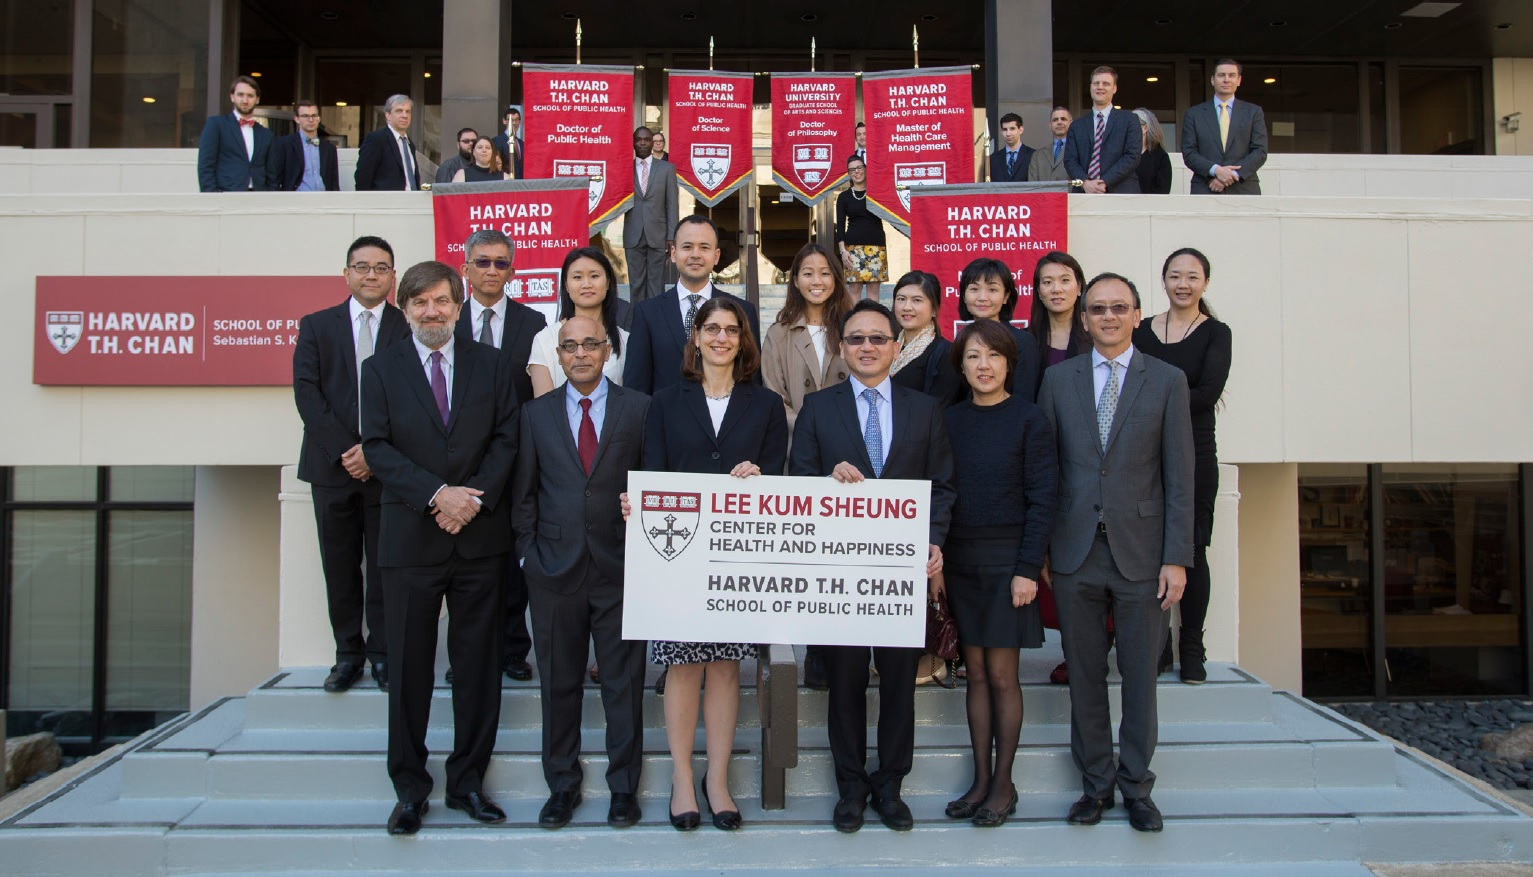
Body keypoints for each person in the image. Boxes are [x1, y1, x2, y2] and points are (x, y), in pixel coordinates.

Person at [360, 260, 521, 836]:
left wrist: (470, 501)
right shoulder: (379, 369)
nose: (432, 311)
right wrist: (436, 495)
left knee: (478, 670)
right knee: (408, 671)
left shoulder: (495, 365)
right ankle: (409, 788)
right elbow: (377, 448)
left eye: (442, 301)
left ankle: (468, 784)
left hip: (479, 538)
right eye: (420, 303)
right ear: (405, 311)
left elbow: (509, 437)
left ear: (460, 306)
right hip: (409, 542)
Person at [1036, 272, 1194, 834]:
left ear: (1135, 314)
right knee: (1083, 676)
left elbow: (1180, 476)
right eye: (1097, 308)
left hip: (1144, 555)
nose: (1107, 316)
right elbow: (1046, 470)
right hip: (1074, 552)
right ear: (1083, 317)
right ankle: (1095, 785)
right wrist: (1043, 550)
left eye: (1118, 307)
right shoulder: (1059, 382)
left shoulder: (1168, 380)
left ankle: (1137, 788)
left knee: (1139, 678)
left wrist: (1176, 557)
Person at [789, 299, 955, 833]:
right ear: (842, 348)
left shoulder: (924, 409)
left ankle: (890, 785)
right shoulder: (820, 408)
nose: (867, 347)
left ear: (895, 346)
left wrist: (934, 543)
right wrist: (825, 484)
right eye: (856, 338)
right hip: (841, 576)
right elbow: (798, 484)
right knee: (846, 682)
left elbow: (943, 485)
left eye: (878, 338)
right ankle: (851, 787)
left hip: (903, 575)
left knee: (901, 684)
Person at [626, 297, 787, 832]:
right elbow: (652, 471)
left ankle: (716, 780)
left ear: (744, 341)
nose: (721, 338)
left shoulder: (765, 405)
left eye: (731, 330)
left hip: (736, 556)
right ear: (694, 337)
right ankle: (679, 777)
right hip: (678, 555)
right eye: (711, 328)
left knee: (724, 666)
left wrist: (758, 476)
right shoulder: (665, 403)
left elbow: (780, 482)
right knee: (683, 665)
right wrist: (637, 502)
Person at [513, 315, 651, 831]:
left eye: (590, 344)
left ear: (608, 350)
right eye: (568, 346)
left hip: (621, 569)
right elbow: (522, 494)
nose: (579, 354)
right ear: (559, 354)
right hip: (553, 571)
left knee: (623, 685)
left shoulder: (639, 409)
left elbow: (652, 481)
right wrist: (529, 555)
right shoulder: (534, 415)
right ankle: (562, 788)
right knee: (559, 685)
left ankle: (622, 790)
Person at [937, 319, 1056, 828]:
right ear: (961, 366)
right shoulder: (947, 420)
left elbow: (1042, 500)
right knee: (975, 675)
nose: (983, 366)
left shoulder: (1030, 420)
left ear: (1009, 362)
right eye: (972, 357)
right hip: (961, 560)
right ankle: (981, 780)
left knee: (1003, 676)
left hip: (1009, 563)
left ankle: (1003, 784)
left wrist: (1028, 568)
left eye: (992, 356)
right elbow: (940, 493)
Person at [293, 235, 411, 694]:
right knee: (339, 565)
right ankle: (348, 654)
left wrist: (374, 452)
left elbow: (411, 399)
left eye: (381, 268)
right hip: (330, 469)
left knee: (385, 565)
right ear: (347, 274)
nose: (371, 275)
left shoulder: (407, 328)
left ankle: (382, 652)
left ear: (392, 277)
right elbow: (308, 394)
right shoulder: (317, 326)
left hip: (388, 472)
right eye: (362, 267)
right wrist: (349, 450)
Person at [1133, 248, 1232, 684]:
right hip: (1143, 453)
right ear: (1163, 280)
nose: (1183, 283)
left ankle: (1192, 646)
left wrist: (1155, 405)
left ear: (1205, 283)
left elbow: (1208, 392)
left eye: (1192, 276)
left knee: (1191, 551)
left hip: (1195, 451)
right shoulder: (1143, 331)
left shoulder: (1216, 333)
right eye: (1175, 275)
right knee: (1149, 548)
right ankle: (1160, 645)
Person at [453, 230, 548, 682]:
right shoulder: (446, 322)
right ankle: (468, 656)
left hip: (513, 461)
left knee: (513, 563)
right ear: (465, 267)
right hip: (456, 465)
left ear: (512, 270)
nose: (492, 271)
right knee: (464, 568)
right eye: (483, 262)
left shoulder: (534, 324)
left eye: (501, 263)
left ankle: (513, 649)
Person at [761, 241, 852, 692]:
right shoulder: (778, 332)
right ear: (794, 279)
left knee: (840, 561)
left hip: (847, 462)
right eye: (807, 272)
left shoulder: (852, 328)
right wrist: (814, 430)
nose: (817, 281)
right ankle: (798, 650)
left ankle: (830, 652)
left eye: (825, 273)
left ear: (836, 279)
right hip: (797, 457)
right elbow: (773, 397)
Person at [1024, 250, 1091, 685]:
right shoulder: (1026, 342)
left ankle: (1094, 648)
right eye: (1047, 282)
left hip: (1090, 467)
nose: (1056, 289)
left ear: (1079, 286)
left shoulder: (1098, 335)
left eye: (1064, 280)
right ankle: (1072, 649)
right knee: (1056, 562)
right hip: (1045, 465)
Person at [624, 215, 759, 395]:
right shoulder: (647, 313)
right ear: (673, 253)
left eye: (704, 247)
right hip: (667, 421)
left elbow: (752, 378)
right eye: (687, 247)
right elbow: (636, 388)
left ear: (716, 255)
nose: (695, 254)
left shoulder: (743, 311)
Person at [530, 247, 629, 396]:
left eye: (594, 276)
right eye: (577, 277)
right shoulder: (544, 340)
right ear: (566, 285)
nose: (586, 284)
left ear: (608, 282)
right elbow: (543, 409)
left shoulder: (626, 340)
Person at [954, 257, 1041, 402]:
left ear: (1006, 296)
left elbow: (1024, 400)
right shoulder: (962, 340)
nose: (982, 297)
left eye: (992, 289)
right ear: (964, 295)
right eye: (974, 289)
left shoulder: (1022, 342)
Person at [1181, 59, 1268, 195]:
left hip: (1243, 189)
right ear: (1212, 80)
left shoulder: (1253, 112)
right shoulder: (1193, 114)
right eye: (1221, 75)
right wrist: (1216, 170)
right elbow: (1189, 153)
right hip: (1206, 187)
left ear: (1239, 80)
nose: (1226, 80)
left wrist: (1231, 175)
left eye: (1231, 75)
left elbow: (1260, 151)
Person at [889, 271, 962, 409]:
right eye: (901, 299)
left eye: (917, 300)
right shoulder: (886, 346)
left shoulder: (946, 354)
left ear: (934, 309)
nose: (907, 307)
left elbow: (940, 410)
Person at [623, 126, 679, 304]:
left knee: (656, 286)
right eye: (638, 139)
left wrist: (672, 235)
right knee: (636, 285)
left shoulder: (666, 169)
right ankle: (637, 326)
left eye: (646, 140)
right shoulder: (624, 169)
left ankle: (655, 326)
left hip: (659, 235)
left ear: (653, 143)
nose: (642, 143)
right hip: (633, 234)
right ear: (633, 142)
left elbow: (672, 204)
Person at [1064, 67, 1141, 194]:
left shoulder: (1129, 120)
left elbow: (1132, 157)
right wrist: (1085, 182)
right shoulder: (1076, 126)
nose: (1100, 87)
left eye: (1106, 84)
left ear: (1114, 88)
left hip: (1122, 193)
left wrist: (1104, 181)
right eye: (1096, 83)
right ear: (1090, 87)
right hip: (1084, 193)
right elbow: (1070, 160)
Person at [196, 75, 272, 192]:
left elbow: (271, 172)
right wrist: (212, 196)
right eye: (240, 95)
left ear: (257, 99)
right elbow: (205, 165)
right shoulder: (216, 125)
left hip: (258, 197)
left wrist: (269, 196)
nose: (245, 100)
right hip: (225, 195)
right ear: (232, 97)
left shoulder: (266, 134)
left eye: (250, 96)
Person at [835, 156, 888, 301]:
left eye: (859, 168)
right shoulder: (843, 197)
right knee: (854, 289)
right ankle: (854, 322)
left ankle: (873, 322)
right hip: (853, 248)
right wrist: (843, 251)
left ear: (865, 169)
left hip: (876, 245)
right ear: (849, 174)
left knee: (873, 290)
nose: (856, 172)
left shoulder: (876, 193)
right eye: (852, 170)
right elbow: (840, 227)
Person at [269, 100, 338, 192]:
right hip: (295, 201)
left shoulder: (329, 149)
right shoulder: (284, 144)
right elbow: (275, 179)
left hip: (323, 201)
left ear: (319, 119)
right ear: (297, 119)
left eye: (314, 115)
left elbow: (334, 183)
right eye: (305, 116)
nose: (310, 120)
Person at [354, 95, 420, 191]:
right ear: (388, 115)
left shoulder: (410, 145)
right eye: (399, 111)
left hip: (410, 203)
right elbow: (363, 177)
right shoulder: (376, 140)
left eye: (408, 112)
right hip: (385, 204)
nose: (405, 116)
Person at [1026, 107, 1073, 183]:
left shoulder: (1079, 152)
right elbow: (1032, 186)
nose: (1059, 122)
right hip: (1043, 195)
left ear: (1071, 124)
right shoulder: (1037, 156)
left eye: (1063, 119)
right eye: (1055, 120)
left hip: (1069, 195)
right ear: (1050, 125)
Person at [1133, 109, 1173, 195]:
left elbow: (1163, 190)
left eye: (1131, 125)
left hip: (1150, 206)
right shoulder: (1123, 154)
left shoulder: (1160, 157)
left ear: (1145, 128)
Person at [989, 113, 1033, 183]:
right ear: (1001, 132)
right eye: (1005, 129)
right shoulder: (993, 159)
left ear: (1020, 130)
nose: (1008, 134)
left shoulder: (1033, 156)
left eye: (1012, 129)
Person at [492, 106, 524, 180]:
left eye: (517, 120)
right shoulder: (496, 141)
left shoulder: (522, 143)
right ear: (504, 121)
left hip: (522, 184)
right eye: (510, 120)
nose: (514, 123)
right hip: (505, 183)